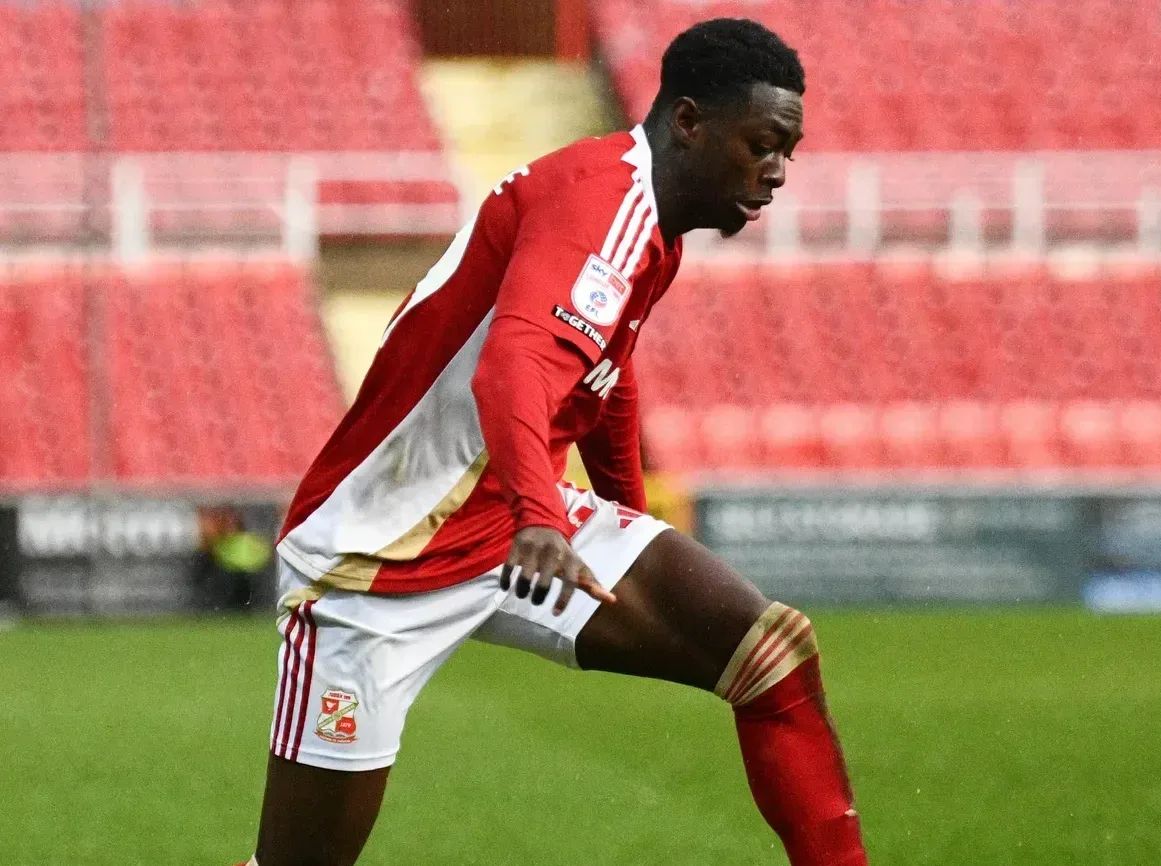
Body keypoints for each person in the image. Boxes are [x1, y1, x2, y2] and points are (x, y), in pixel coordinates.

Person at [240, 17, 868, 866]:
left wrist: (627, 521)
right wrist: (543, 515)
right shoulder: (602, 203)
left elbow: (605, 375)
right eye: (762, 143)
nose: (778, 171)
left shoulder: (651, 228)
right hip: (375, 563)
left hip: (509, 521)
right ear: (689, 121)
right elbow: (511, 370)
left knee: (768, 651)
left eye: (787, 149)